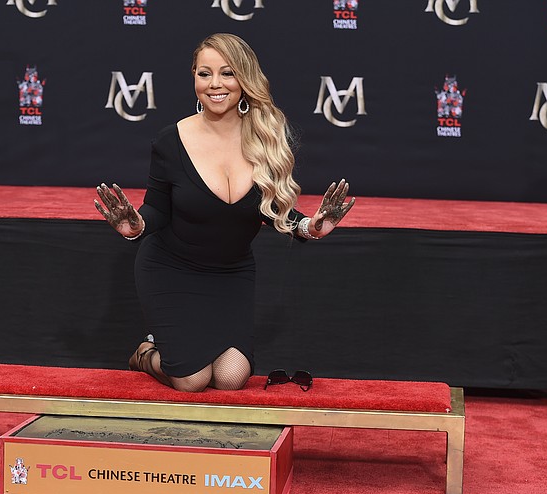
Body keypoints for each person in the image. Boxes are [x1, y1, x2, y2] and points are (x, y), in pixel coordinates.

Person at [94, 33, 354, 392]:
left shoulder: (265, 136)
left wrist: (311, 227)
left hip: (231, 274)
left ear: (244, 80)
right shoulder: (173, 139)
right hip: (171, 269)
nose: (215, 84)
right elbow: (156, 209)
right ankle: (145, 353)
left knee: (231, 378)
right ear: (194, 78)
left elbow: (275, 209)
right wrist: (135, 225)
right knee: (192, 380)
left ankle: (182, 351)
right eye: (204, 74)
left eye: (227, 73)